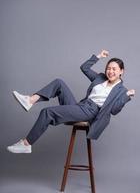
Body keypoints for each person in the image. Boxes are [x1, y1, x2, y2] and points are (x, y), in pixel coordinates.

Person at [7, 50, 135, 153]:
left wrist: (127, 96)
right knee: (59, 83)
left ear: (121, 71)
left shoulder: (121, 91)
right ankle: (30, 100)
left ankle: (26, 143)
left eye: (114, 69)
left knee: (47, 112)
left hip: (90, 111)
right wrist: (99, 56)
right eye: (108, 68)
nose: (110, 71)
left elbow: (114, 111)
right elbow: (84, 68)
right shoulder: (100, 78)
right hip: (81, 106)